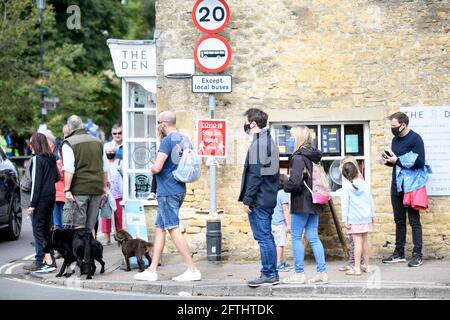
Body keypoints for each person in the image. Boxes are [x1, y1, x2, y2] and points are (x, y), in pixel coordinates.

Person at [134, 111, 201, 282]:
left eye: (158, 123)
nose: (158, 126)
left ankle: (192, 269)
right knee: (160, 229)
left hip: (167, 190)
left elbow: (157, 167)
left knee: (172, 228)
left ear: (163, 124)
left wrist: (150, 167)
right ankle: (152, 270)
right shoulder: (184, 139)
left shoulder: (166, 141)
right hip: (179, 188)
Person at [238, 108, 280, 287]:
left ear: (253, 123)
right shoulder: (266, 140)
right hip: (267, 196)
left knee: (263, 237)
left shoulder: (260, 144)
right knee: (266, 236)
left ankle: (268, 273)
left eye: (246, 121)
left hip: (260, 199)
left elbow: (255, 175)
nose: (245, 125)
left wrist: (248, 200)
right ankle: (272, 273)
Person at [283, 125, 328, 284]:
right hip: (315, 201)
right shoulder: (313, 157)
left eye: (291, 136)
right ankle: (322, 273)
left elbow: (295, 183)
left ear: (298, 138)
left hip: (301, 203)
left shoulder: (298, 157)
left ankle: (299, 273)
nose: (289, 139)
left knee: (296, 237)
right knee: (313, 237)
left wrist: (283, 184)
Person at [380, 112, 426, 267]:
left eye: (394, 126)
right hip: (397, 185)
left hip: (411, 186)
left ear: (403, 125)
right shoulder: (395, 140)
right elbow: (396, 163)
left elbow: (420, 162)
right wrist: (387, 161)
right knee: (399, 220)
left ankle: (417, 255)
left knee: (414, 221)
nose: (392, 128)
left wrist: (397, 160)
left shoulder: (415, 139)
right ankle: (399, 253)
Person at [61, 115, 108, 236]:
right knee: (91, 226)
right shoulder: (98, 142)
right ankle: (90, 254)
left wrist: (67, 189)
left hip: (79, 189)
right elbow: (105, 168)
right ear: (82, 125)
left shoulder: (69, 143)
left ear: (70, 127)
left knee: (78, 226)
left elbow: (69, 169)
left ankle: (80, 254)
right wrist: (104, 188)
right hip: (96, 189)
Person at [22, 133, 59, 273]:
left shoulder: (37, 159)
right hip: (51, 198)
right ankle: (49, 261)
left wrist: (32, 205)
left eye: (32, 143)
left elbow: (36, 184)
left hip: (41, 199)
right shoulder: (52, 158)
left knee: (38, 231)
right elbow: (56, 177)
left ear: (36, 144)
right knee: (46, 230)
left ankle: (48, 261)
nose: (30, 146)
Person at [341, 162, 375, 276]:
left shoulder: (346, 187)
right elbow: (371, 200)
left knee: (357, 243)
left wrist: (344, 220)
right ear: (356, 171)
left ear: (345, 175)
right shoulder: (365, 184)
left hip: (354, 219)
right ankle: (366, 266)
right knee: (365, 241)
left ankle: (356, 268)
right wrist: (372, 215)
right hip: (366, 217)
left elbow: (345, 205)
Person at [338, 156, 365, 272]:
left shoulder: (355, 181)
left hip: (354, 216)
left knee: (355, 242)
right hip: (359, 215)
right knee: (355, 241)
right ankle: (355, 262)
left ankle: (355, 264)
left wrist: (345, 218)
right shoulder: (354, 179)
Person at [101, 143, 123, 245]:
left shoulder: (119, 162)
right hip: (107, 193)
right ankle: (107, 238)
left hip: (118, 194)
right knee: (106, 216)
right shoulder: (103, 163)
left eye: (112, 151)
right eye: (108, 152)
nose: (110, 153)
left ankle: (120, 236)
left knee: (118, 216)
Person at [271, 174, 292, 272]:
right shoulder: (283, 193)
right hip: (280, 224)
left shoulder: (272, 193)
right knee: (280, 244)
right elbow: (285, 210)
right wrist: (288, 224)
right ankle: (278, 264)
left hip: (272, 223)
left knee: (275, 244)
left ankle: (277, 262)